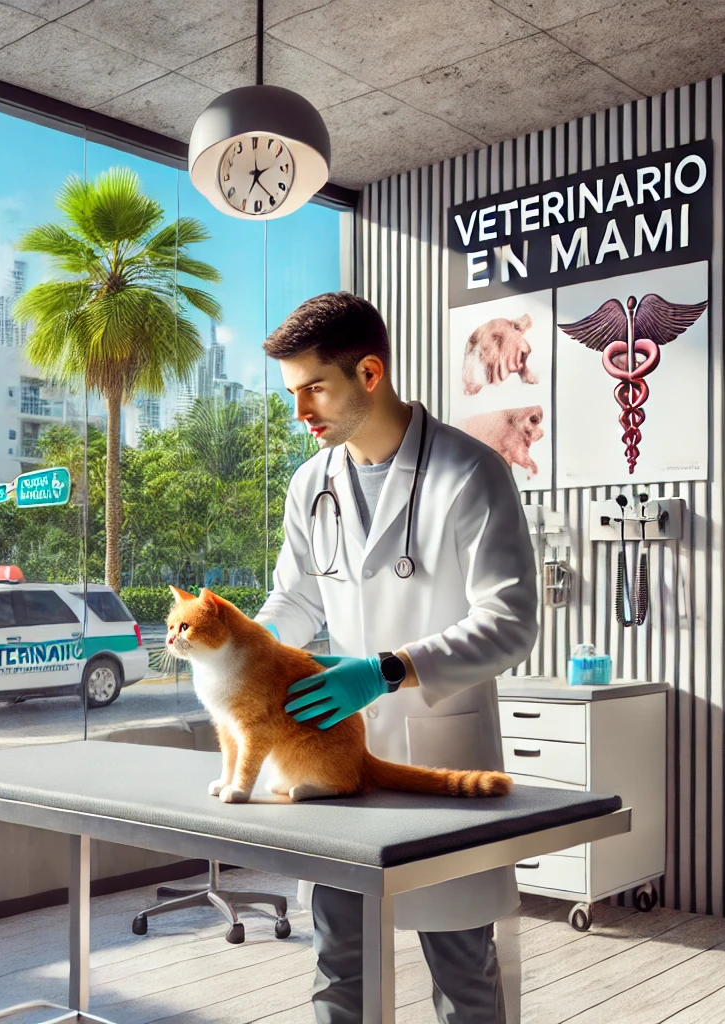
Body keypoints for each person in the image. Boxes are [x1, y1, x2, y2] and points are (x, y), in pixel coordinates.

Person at [254, 292, 539, 1024]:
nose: (300, 412)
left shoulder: (471, 471)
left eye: (313, 388)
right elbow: (296, 601)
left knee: (463, 979)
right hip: (335, 762)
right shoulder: (309, 484)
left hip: (436, 751)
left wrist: (381, 670)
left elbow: (511, 623)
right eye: (292, 393)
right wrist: (247, 659)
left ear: (370, 372)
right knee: (338, 965)